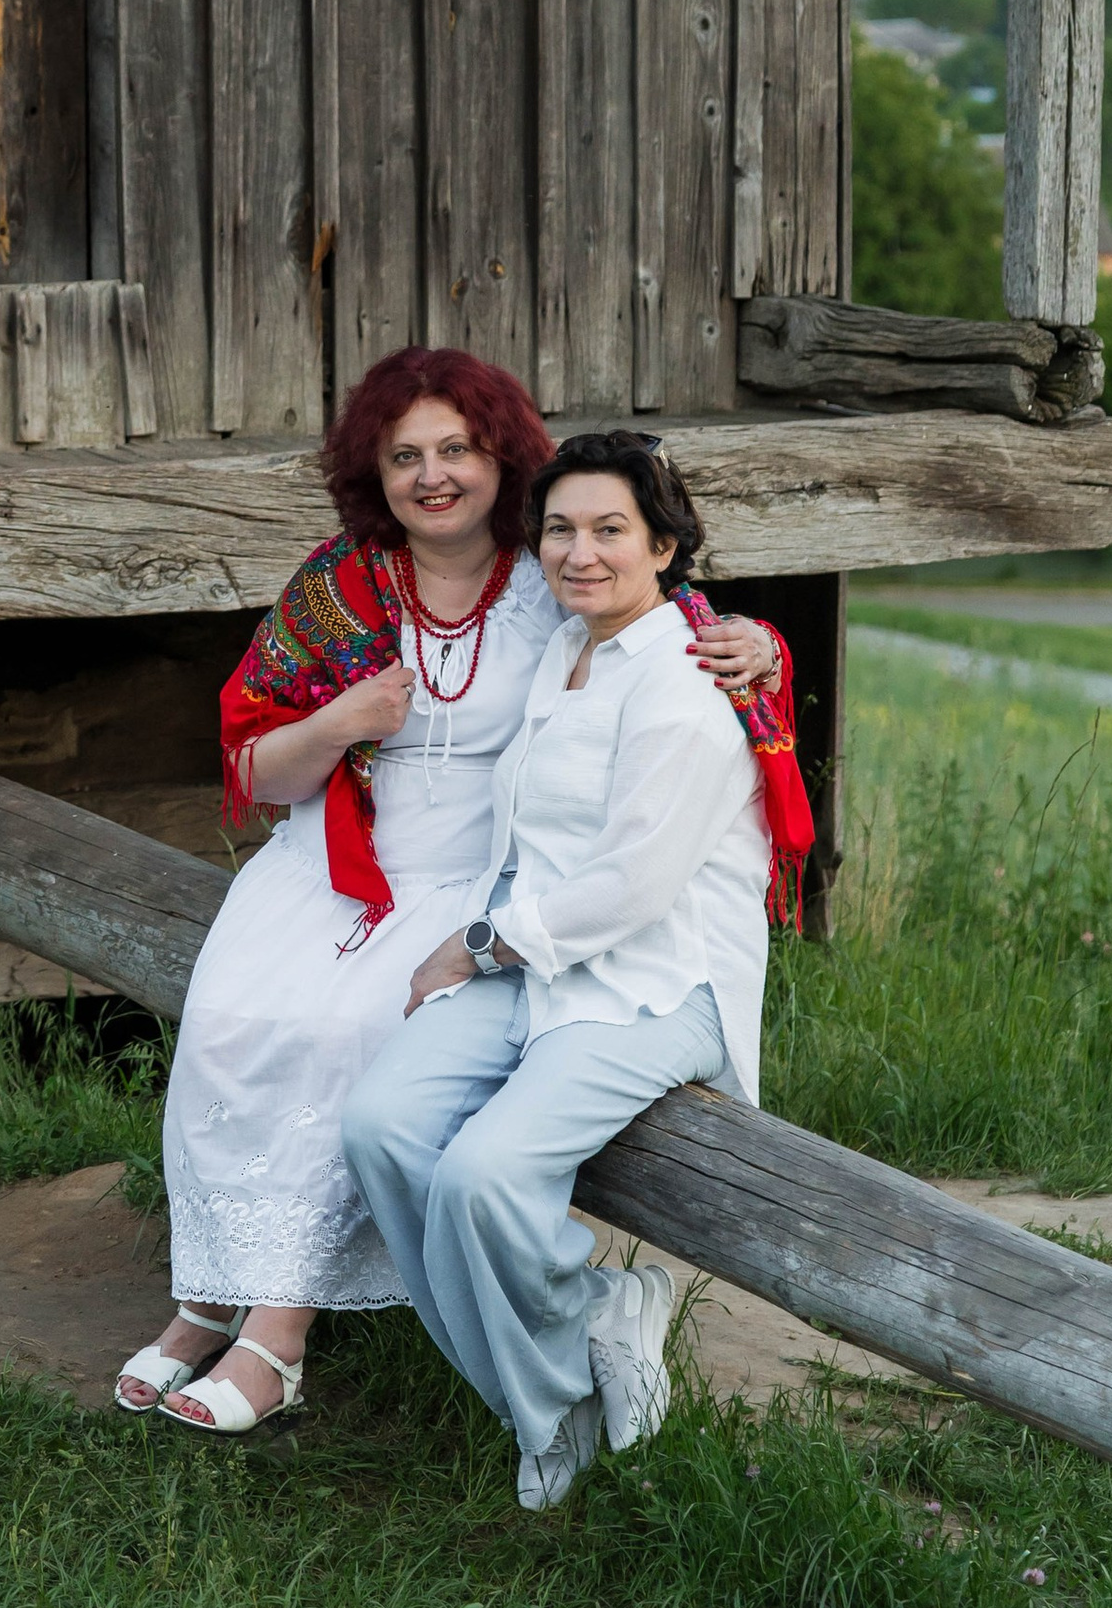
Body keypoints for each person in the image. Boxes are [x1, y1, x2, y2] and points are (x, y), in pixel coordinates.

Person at [115, 357, 789, 1436]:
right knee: (231, 1021)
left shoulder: (553, 570)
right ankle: (206, 1294)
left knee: (350, 1031)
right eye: (403, 457)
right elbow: (250, 766)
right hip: (334, 862)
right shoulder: (338, 587)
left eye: (457, 451)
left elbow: (693, 645)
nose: (433, 477)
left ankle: (275, 1335)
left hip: (480, 876)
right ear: (369, 474)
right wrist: (340, 724)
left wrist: (762, 643)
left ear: (501, 458)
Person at [341, 430, 814, 1510]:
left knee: (482, 1177)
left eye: (610, 530)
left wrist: (470, 946)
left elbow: (632, 889)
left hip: (650, 979)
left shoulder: (687, 680)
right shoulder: (564, 649)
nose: (579, 552)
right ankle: (565, 1356)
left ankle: (547, 1412)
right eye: (559, 529)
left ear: (665, 545)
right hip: (535, 962)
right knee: (379, 1129)